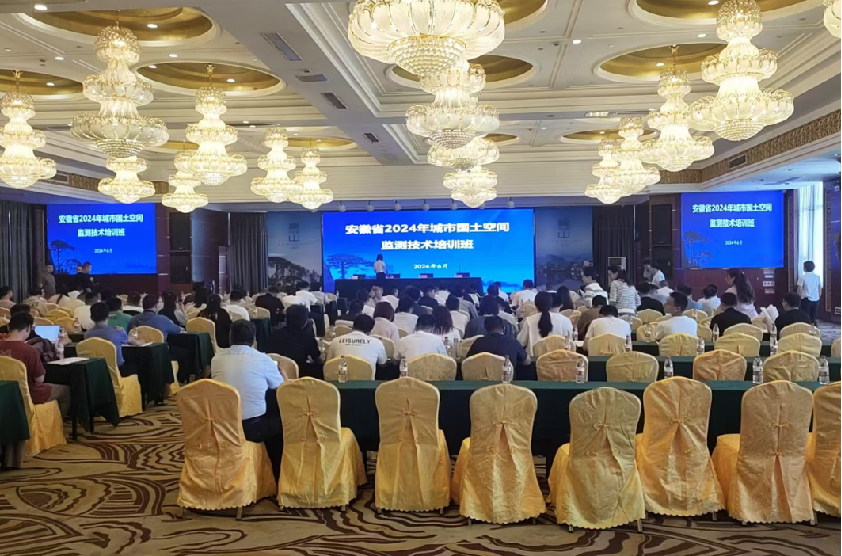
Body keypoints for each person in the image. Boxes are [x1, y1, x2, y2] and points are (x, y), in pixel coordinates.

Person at [212, 319, 285, 478]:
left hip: (221, 426)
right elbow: (282, 389)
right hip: (252, 428)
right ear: (253, 340)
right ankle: (274, 474)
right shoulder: (263, 359)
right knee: (282, 421)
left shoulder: (216, 359)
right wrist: (282, 373)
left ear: (230, 337)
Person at [0, 312, 70, 417]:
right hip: (28, 394)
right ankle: (55, 423)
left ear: (9, 327)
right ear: (28, 329)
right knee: (65, 391)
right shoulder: (29, 350)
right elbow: (39, 380)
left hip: (4, 393)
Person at [518, 291, 574, 358]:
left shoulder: (529, 320)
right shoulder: (565, 320)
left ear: (535, 305)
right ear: (550, 304)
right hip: (559, 361)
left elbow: (520, 342)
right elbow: (570, 343)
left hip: (534, 362)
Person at [267, 304, 321, 373]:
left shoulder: (274, 334)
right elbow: (317, 359)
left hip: (276, 371)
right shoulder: (308, 338)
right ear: (304, 322)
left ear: (286, 319)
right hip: (299, 373)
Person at [85, 302, 132, 368]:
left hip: (96, 369)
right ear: (108, 316)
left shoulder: (87, 335)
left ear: (91, 318)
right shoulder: (118, 332)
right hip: (116, 368)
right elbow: (131, 341)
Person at [797, 261, 823, 325]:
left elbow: (799, 289)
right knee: (813, 317)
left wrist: (798, 297)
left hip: (806, 299)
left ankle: (806, 328)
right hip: (816, 299)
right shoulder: (817, 277)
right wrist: (818, 296)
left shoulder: (802, 277)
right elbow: (819, 288)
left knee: (806, 316)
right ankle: (814, 328)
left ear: (805, 268)